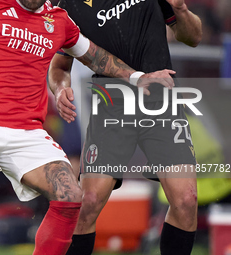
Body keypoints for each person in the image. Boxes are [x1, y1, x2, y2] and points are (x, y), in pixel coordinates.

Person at [0, 0, 175, 254]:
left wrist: (137, 77)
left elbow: (96, 57)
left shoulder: (59, 20)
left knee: (69, 196)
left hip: (26, 130)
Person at [48, 0, 202, 254]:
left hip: (161, 102)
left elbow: (193, 37)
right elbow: (60, 66)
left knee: (186, 201)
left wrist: (181, 10)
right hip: (111, 105)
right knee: (88, 203)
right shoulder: (70, 6)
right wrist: (61, 88)